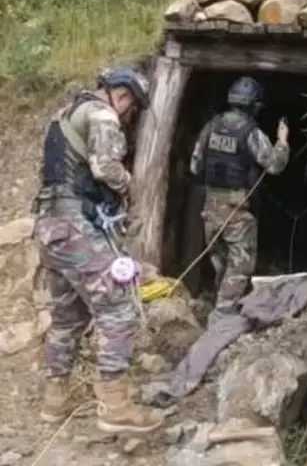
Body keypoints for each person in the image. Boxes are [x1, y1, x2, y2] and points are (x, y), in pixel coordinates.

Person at [32, 65, 166, 433]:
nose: (128, 116)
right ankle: (116, 406)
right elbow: (105, 166)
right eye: (131, 109)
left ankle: (54, 400)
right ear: (122, 96)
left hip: (49, 226)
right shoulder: (103, 115)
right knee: (119, 306)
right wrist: (130, 184)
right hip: (75, 226)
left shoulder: (63, 116)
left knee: (68, 317)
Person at [189, 76, 289, 325]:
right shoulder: (250, 132)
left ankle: (223, 307)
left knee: (222, 265)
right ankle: (221, 319)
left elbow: (194, 165)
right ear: (254, 105)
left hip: (210, 209)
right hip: (236, 212)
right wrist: (282, 141)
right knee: (239, 267)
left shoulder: (211, 126)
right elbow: (274, 165)